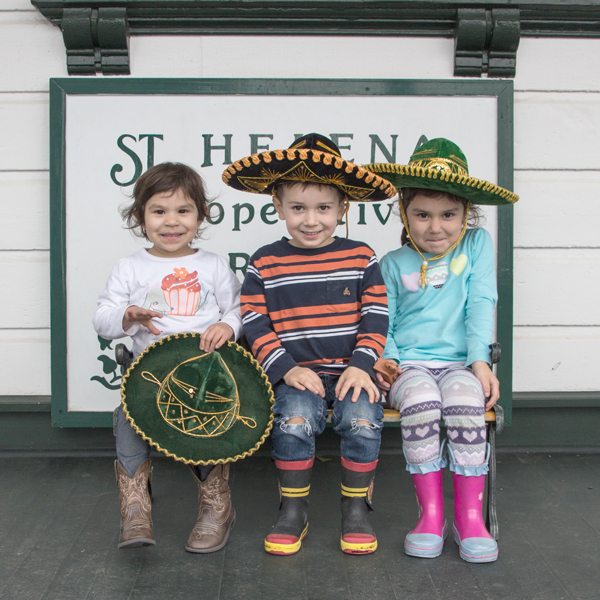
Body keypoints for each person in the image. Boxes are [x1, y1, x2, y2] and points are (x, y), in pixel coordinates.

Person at [222, 133, 397, 555]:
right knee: (294, 422)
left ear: (343, 208)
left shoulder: (361, 256)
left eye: (323, 208)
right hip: (297, 375)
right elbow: (255, 321)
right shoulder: (265, 261)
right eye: (298, 208)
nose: (311, 220)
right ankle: (293, 509)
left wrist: (362, 364)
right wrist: (286, 369)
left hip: (352, 372)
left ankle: (355, 510)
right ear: (278, 206)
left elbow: (376, 315)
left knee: (362, 420)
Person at [365, 138, 518, 563]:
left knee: (467, 403)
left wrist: (480, 362)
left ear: (466, 212)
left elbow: (480, 302)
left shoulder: (476, 245)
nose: (435, 227)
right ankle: (431, 515)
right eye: (422, 215)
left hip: (460, 365)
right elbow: (383, 321)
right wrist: (388, 359)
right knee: (421, 402)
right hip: (409, 367)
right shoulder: (392, 263)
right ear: (404, 212)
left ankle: (469, 518)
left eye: (448, 214)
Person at [93, 162, 243, 553]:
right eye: (159, 211)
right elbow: (103, 318)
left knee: (208, 422)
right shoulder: (131, 267)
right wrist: (127, 315)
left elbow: (238, 309)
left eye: (183, 211)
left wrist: (227, 326)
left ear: (201, 215)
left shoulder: (212, 265)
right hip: (149, 377)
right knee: (128, 417)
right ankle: (135, 506)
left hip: (204, 376)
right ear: (140, 216)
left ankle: (215, 504)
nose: (171, 221)